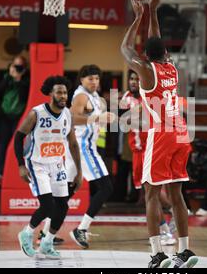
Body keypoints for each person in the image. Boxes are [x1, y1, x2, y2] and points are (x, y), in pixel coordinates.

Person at [121, 0, 199, 269]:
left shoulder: (144, 70)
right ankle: (185, 250)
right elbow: (156, 41)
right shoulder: (172, 69)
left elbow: (125, 49)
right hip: (181, 133)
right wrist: (153, 9)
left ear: (147, 57)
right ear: (165, 54)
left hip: (162, 134)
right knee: (176, 193)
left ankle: (157, 254)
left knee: (152, 194)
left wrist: (138, 16)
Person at [16, 76, 82, 259]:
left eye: (65, 92)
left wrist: (79, 173)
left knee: (62, 205)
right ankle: (26, 233)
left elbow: (73, 144)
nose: (63, 96)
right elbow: (17, 137)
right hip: (37, 164)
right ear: (50, 94)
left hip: (57, 164)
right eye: (59, 92)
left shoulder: (67, 114)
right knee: (47, 205)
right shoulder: (36, 113)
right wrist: (21, 165)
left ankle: (47, 243)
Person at [120, 70, 176, 246]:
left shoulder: (150, 97)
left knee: (152, 193)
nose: (134, 82)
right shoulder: (126, 98)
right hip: (137, 150)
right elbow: (123, 123)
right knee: (150, 193)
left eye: (137, 78)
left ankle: (169, 227)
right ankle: (173, 218)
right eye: (132, 79)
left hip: (150, 148)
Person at [69, 64, 117, 249]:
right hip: (83, 147)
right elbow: (72, 118)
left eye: (97, 78)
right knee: (106, 188)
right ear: (81, 80)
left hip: (81, 146)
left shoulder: (95, 96)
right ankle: (81, 228)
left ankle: (46, 231)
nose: (95, 82)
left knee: (66, 191)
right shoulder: (81, 95)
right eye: (91, 78)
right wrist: (98, 119)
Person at [0, 55, 30, 187]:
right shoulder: (7, 78)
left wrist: (19, 79)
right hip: (5, 117)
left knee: (17, 145)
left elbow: (24, 95)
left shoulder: (26, 80)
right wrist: (10, 76)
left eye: (20, 66)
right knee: (2, 145)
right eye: (15, 65)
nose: (17, 68)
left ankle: (18, 170)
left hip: (19, 118)